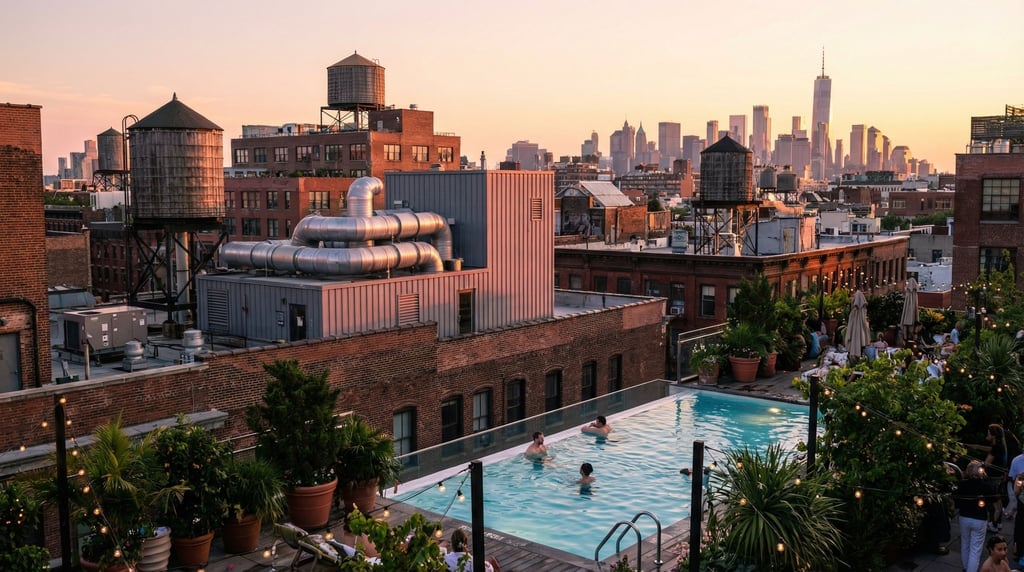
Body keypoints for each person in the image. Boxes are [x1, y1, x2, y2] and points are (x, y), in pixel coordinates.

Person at [958, 460, 999, 572]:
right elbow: (994, 497)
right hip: (979, 519)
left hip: (964, 517)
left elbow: (957, 502)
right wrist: (986, 478)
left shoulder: (962, 484)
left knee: (965, 543)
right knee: (975, 548)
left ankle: (966, 568)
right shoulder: (984, 485)